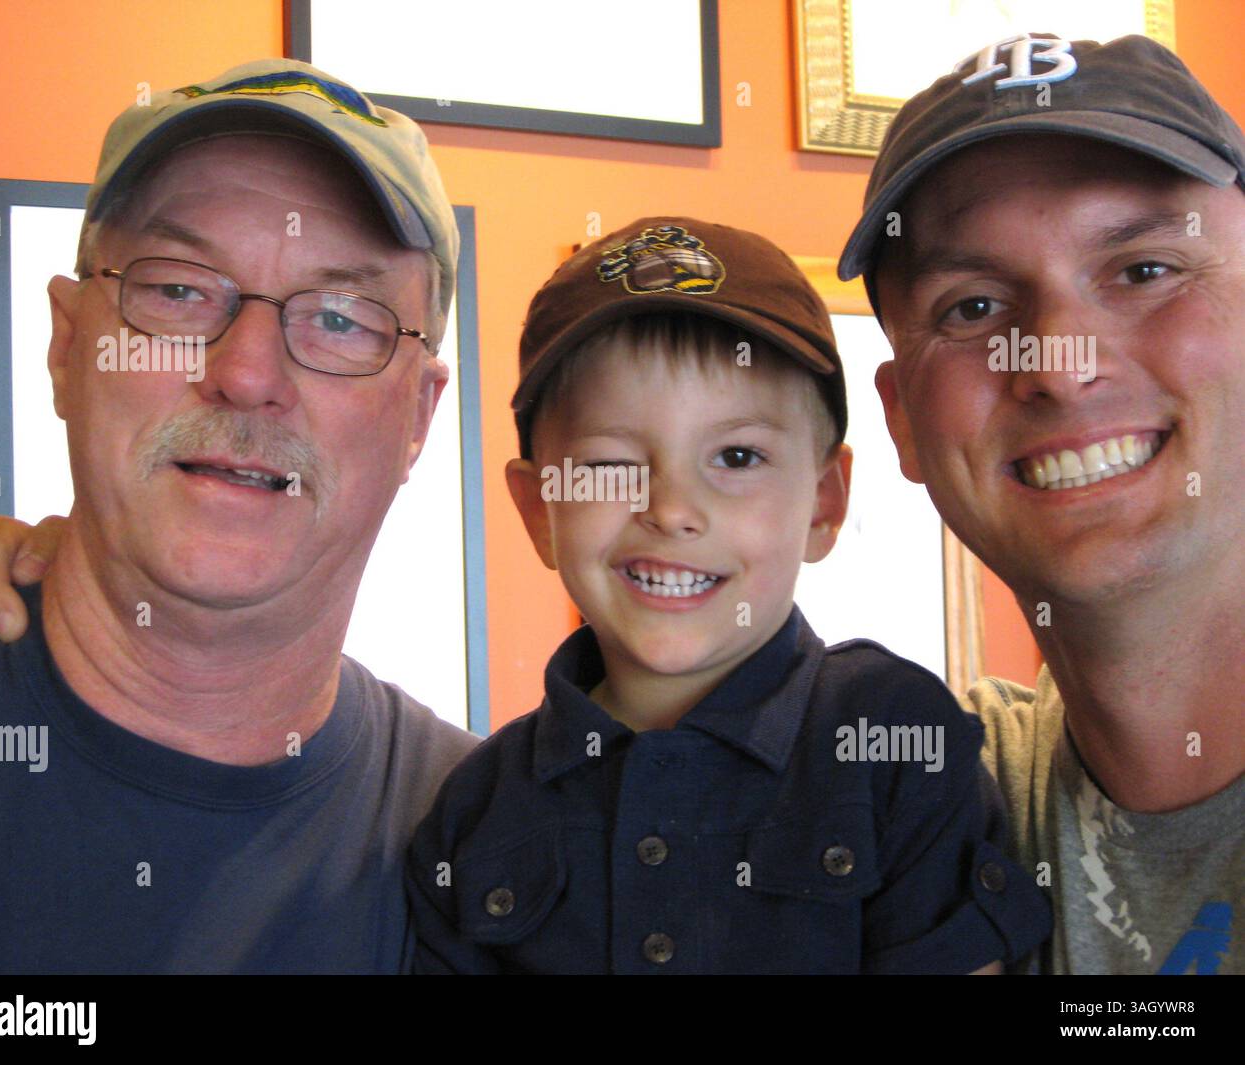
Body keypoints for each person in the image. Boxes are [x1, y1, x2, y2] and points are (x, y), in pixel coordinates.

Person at [401, 217, 1050, 973]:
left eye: (737, 456)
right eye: (610, 465)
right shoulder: (475, 809)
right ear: (540, 510)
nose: (672, 508)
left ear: (824, 502)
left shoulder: (895, 741)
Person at [0, 59, 478, 973]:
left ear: (419, 418)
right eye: (180, 290)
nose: (246, 373)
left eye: (340, 318)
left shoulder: (493, 848)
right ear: (67, 346)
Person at [837, 33, 1244, 974]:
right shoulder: (926, 812)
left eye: (1144, 270)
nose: (1058, 364)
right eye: (972, 308)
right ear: (902, 421)